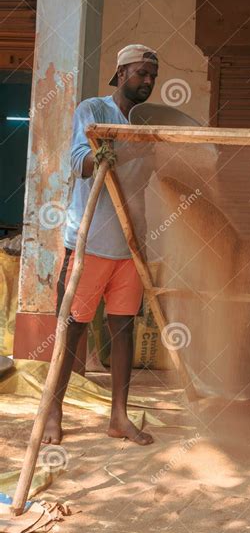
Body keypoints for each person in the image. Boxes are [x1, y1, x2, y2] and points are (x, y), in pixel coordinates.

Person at [42, 44, 159, 446]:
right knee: (71, 330)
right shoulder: (93, 111)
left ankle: (119, 417)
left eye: (152, 76)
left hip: (128, 246)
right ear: (121, 73)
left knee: (122, 331)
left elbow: (155, 177)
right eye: (141, 73)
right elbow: (79, 162)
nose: (147, 81)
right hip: (89, 242)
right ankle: (53, 412)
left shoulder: (149, 126)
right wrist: (105, 152)